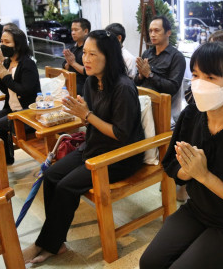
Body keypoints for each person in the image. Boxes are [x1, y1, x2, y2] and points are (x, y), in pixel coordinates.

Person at [140, 41, 223, 269]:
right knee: (150, 262)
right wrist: (188, 169)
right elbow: (172, 165)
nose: (199, 84)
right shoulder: (192, 115)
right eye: (195, 75)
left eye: (210, 77)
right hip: (198, 211)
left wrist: (203, 175)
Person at [22, 30, 145, 264]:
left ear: (109, 57)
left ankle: (46, 244)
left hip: (120, 156)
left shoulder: (123, 87)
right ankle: (55, 243)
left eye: (92, 54)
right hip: (94, 147)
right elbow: (91, 120)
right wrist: (80, 113)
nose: (85, 59)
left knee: (66, 187)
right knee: (51, 176)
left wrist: (86, 114)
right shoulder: (91, 82)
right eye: (84, 53)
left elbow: (121, 134)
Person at [0, 27, 40, 165]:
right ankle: (1, 159)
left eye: (7, 42)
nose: (3, 45)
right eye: (2, 41)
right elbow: (5, 90)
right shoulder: (7, 62)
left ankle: (5, 161)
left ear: (18, 44)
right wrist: (2, 76)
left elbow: (25, 91)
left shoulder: (28, 64)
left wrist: (6, 77)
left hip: (27, 110)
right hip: (11, 107)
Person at [134, 15, 186, 118]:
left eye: (157, 30)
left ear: (168, 33)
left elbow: (172, 87)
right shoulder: (147, 53)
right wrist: (140, 75)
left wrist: (150, 74)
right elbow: (136, 82)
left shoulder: (176, 57)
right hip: (141, 103)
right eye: (150, 31)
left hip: (162, 108)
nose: (152, 34)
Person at [62, 18, 91, 96]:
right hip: (70, 88)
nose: (73, 33)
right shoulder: (72, 48)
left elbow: (88, 71)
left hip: (85, 91)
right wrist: (68, 63)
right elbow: (65, 67)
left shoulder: (90, 49)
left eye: (76, 30)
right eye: (72, 30)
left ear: (85, 31)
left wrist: (73, 63)